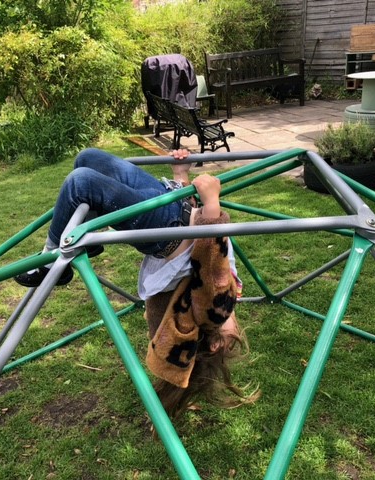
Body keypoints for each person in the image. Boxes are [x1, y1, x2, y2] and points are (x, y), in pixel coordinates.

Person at [15, 148, 259, 417]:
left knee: (81, 182)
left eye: (231, 340)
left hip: (167, 227)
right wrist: (180, 175)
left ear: (213, 344)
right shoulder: (222, 302)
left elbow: (211, 262)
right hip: (172, 204)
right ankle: (89, 232)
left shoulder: (214, 312)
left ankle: (51, 262)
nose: (237, 328)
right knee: (88, 159)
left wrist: (212, 204)